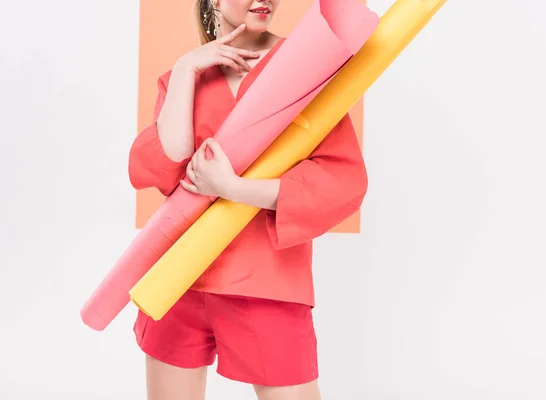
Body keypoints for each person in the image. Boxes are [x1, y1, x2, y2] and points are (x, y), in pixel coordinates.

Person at [127, 0, 368, 399]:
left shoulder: (309, 65)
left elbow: (338, 180)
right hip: (176, 277)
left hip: (265, 282)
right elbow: (168, 164)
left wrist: (233, 188)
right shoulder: (183, 76)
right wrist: (188, 67)